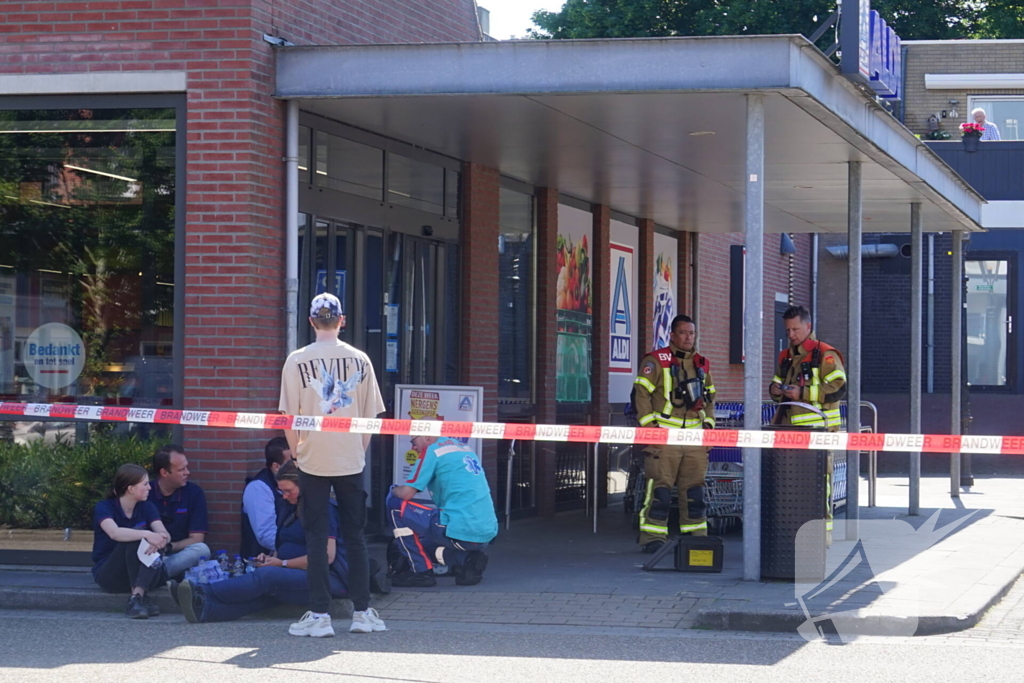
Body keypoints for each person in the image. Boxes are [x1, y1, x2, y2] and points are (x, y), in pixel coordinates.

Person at [279, 292, 387, 636]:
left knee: (316, 537)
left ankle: (320, 615)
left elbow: (288, 416)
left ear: (311, 322)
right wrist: (358, 450)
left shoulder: (296, 360)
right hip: (350, 459)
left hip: (312, 459)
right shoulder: (361, 360)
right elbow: (370, 418)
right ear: (342, 320)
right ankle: (363, 613)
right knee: (355, 537)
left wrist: (296, 452)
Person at [173, 461, 389, 629]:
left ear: (304, 487)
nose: (285, 497)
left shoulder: (325, 511)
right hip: (297, 572)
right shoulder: (293, 508)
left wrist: (281, 563)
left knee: (267, 577)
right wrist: (271, 557)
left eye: (289, 491)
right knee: (266, 592)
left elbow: (327, 556)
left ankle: (202, 593)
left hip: (329, 579)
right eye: (281, 492)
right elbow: (285, 542)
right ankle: (206, 610)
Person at [632, 314, 716, 554]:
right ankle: (652, 538)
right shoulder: (656, 360)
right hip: (665, 437)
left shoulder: (702, 363)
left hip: (695, 439)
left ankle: (696, 535)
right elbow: (641, 395)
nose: (688, 337)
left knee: (694, 491)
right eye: (683, 332)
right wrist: (650, 430)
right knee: (660, 490)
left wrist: (709, 426)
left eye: (691, 333)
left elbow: (711, 398)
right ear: (672, 335)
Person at [769, 305, 847, 541]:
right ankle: (792, 534)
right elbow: (777, 386)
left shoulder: (825, 353)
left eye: (795, 329)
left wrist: (801, 393)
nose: (790, 334)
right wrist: (775, 390)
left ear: (808, 326)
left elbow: (838, 388)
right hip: (788, 432)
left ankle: (822, 537)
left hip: (819, 433)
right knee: (790, 486)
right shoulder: (785, 356)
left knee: (819, 486)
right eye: (787, 330)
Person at [386, 435, 497, 587]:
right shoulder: (464, 448)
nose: (413, 447)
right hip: (485, 532)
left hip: (458, 527)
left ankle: (420, 572)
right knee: (424, 545)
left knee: (395, 504)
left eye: (413, 441)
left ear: (426, 436)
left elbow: (406, 493)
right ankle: (465, 560)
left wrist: (392, 489)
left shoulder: (433, 451)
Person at [91, 463, 171, 619]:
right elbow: (114, 533)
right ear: (130, 488)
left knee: (154, 538)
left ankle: (137, 597)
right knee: (138, 536)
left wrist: (161, 538)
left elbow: (164, 533)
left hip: (144, 574)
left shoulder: (147, 507)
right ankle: (140, 597)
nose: (150, 488)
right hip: (112, 574)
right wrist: (147, 534)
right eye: (145, 484)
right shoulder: (104, 507)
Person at [148, 444, 210, 580]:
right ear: (164, 473)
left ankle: (156, 574)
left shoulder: (194, 493)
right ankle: (159, 574)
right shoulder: (146, 493)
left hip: (179, 555)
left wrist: (169, 547)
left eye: (186, 467)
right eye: (181, 469)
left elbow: (197, 539)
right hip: (149, 553)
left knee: (202, 549)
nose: (187, 472)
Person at [241, 436, 293, 557]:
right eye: (292, 461)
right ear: (276, 466)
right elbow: (266, 535)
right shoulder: (258, 488)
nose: (297, 465)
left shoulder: (296, 483)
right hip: (263, 562)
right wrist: (296, 547)